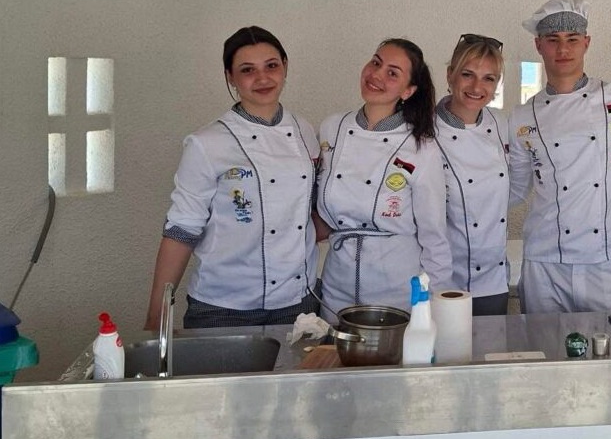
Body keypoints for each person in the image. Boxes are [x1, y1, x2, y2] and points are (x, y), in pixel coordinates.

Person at [145, 26, 321, 329]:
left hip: (297, 302)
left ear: (285, 66)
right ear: (230, 77)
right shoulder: (207, 143)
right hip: (222, 306)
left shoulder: (304, 132)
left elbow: (310, 212)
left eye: (271, 65)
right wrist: (156, 317)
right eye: (247, 70)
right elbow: (182, 230)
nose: (263, 78)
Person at [508, 0, 611, 313]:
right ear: (538, 45)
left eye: (572, 39)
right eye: (553, 40)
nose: (563, 49)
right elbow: (514, 189)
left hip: (610, 259)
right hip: (545, 263)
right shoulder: (522, 116)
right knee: (545, 344)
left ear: (586, 43)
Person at [316, 38, 453, 311]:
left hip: (395, 290)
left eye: (392, 73)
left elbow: (434, 235)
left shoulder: (421, 147)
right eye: (376, 63)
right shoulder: (332, 128)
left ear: (408, 91)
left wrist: (435, 305)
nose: (376, 75)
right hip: (337, 285)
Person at [435, 34, 510, 316]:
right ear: (450, 75)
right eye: (467, 74)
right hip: (442, 279)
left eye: (489, 78)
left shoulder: (501, 124)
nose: (477, 87)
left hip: (494, 279)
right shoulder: (424, 131)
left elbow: (511, 190)